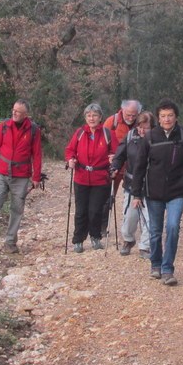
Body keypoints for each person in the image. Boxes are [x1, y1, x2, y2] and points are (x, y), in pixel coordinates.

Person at [129, 99, 183, 286]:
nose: (167, 119)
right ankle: (155, 264)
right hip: (153, 192)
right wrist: (136, 194)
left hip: (178, 191)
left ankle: (168, 268)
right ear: (158, 118)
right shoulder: (150, 137)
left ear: (176, 117)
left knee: (172, 227)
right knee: (155, 231)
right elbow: (139, 167)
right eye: (163, 116)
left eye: (170, 115)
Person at [0, 100, 43, 254]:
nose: (14, 113)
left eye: (18, 111)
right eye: (13, 110)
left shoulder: (33, 130)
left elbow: (37, 154)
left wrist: (36, 177)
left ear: (25, 114)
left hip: (21, 176)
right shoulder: (4, 127)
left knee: (17, 209)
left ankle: (10, 242)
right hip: (1, 172)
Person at [65, 103, 117, 253]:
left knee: (95, 210)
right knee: (81, 210)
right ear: (85, 117)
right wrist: (71, 159)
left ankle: (95, 237)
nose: (91, 118)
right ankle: (78, 240)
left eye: (94, 115)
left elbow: (116, 152)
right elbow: (70, 150)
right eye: (89, 115)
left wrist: (114, 159)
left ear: (100, 117)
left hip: (100, 179)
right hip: (81, 177)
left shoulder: (108, 134)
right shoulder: (80, 133)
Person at [110, 110, 155, 256]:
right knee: (130, 216)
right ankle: (128, 239)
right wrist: (115, 167)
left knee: (149, 217)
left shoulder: (158, 140)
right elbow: (120, 155)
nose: (142, 130)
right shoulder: (130, 136)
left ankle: (145, 246)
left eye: (146, 127)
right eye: (140, 127)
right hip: (131, 183)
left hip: (151, 185)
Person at [103, 100, 142, 249]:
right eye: (128, 114)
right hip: (116, 166)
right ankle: (103, 226)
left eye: (134, 115)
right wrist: (110, 157)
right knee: (108, 196)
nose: (131, 118)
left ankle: (129, 233)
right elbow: (102, 140)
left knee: (130, 201)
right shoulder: (111, 122)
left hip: (133, 169)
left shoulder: (142, 122)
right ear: (122, 110)